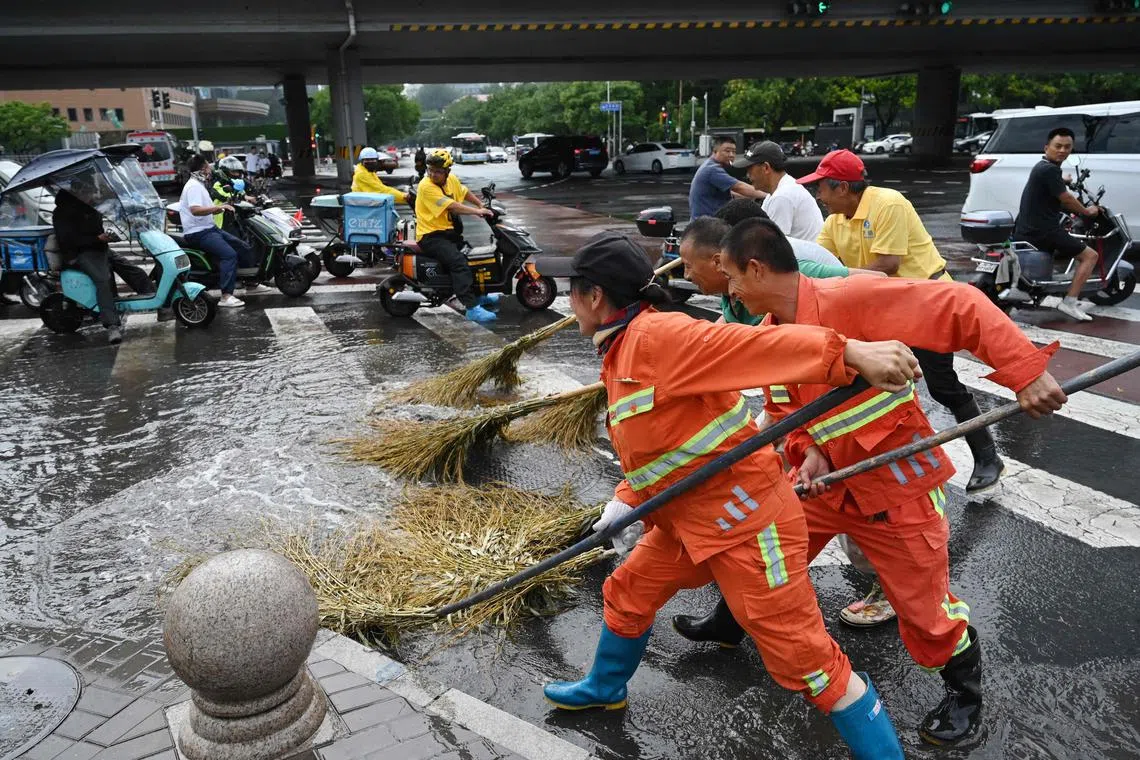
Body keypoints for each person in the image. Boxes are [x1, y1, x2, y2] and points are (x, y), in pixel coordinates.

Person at [535, 231, 919, 759]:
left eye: (571, 292)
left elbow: (750, 345)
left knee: (808, 663)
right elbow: (668, 446)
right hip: (685, 517)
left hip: (748, 525)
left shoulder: (657, 337)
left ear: (595, 296)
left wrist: (848, 352)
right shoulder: (621, 350)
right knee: (628, 590)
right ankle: (604, 689)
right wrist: (626, 500)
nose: (566, 302)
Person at [712, 217, 1065, 745]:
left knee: (927, 614)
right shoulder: (771, 335)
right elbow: (786, 413)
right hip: (829, 487)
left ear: (756, 269)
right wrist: (808, 456)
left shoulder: (850, 297)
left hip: (895, 489)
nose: (727, 289)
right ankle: (728, 622)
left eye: (730, 276)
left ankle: (966, 697)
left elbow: (960, 305)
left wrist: (1026, 372)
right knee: (764, 556)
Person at [673, 211, 896, 638]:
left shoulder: (801, 279)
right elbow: (734, 345)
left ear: (723, 261)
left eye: (690, 265)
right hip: (799, 412)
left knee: (867, 523)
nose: (686, 274)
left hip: (852, 424)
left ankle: (888, 589)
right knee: (781, 521)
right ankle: (732, 619)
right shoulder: (735, 295)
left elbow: (868, 288)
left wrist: (869, 351)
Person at [801, 149, 1005, 494]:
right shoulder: (836, 220)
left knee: (942, 386)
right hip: (884, 306)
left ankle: (988, 456)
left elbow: (887, 264)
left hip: (926, 302)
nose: (817, 195)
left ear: (842, 188)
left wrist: (834, 277)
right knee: (868, 383)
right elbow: (817, 261)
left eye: (820, 187)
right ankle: (874, 466)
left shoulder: (887, 203)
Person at [52, 173, 155, 344]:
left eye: (92, 192)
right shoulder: (62, 212)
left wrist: (110, 234)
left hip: (100, 249)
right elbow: (68, 240)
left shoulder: (90, 207)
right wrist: (97, 239)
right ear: (76, 192)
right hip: (78, 254)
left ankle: (154, 299)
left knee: (131, 269)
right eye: (87, 193)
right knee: (103, 280)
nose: (91, 196)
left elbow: (100, 227)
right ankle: (112, 325)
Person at [1012, 126, 1101, 322]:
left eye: (1067, 147)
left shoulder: (1043, 167)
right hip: (1044, 231)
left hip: (1028, 229)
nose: (1062, 150)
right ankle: (1069, 302)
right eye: (1057, 146)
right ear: (1047, 148)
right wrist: (1087, 211)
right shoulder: (1050, 170)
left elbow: (1053, 183)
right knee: (1090, 256)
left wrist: (1065, 180)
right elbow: (1066, 199)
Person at [414, 149, 498, 322]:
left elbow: (463, 191)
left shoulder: (450, 179)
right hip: (431, 236)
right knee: (459, 263)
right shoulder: (426, 186)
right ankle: (472, 308)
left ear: (447, 171)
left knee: (472, 259)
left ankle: (478, 296)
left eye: (438, 171)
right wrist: (477, 211)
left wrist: (480, 203)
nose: (433, 174)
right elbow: (452, 206)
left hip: (448, 233)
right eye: (430, 170)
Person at [178, 155, 260, 308]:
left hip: (209, 228)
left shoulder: (199, 185)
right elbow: (195, 210)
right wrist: (218, 208)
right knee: (229, 255)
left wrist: (221, 207)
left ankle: (251, 283)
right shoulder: (193, 186)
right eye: (208, 167)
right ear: (202, 169)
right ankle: (226, 296)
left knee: (242, 247)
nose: (210, 170)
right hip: (199, 233)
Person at [733, 140, 824, 241]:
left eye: (750, 169)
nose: (747, 175)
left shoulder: (782, 196)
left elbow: (774, 246)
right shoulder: (777, 192)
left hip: (804, 256)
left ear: (766, 168)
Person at [687, 135, 767, 219]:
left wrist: (752, 197)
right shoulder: (712, 170)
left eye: (734, 151)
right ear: (715, 151)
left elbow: (731, 193)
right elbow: (739, 187)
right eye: (727, 151)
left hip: (705, 222)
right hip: (708, 226)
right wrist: (768, 195)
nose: (731, 155)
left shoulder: (710, 165)